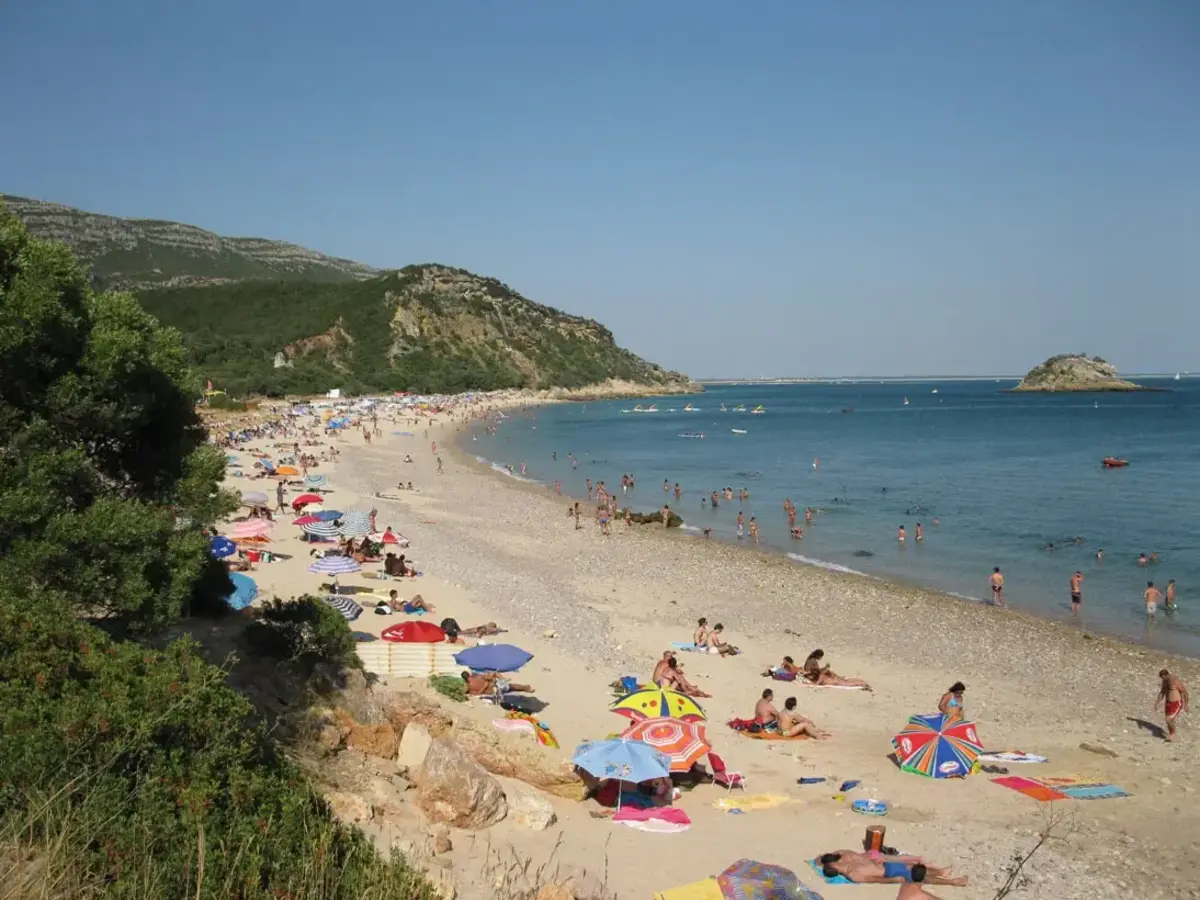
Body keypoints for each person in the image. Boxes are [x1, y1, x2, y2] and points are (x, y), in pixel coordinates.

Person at [819, 854, 966, 887]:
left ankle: (940, 872)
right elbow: (874, 879)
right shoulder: (853, 875)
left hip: (887, 865)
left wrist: (879, 858)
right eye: (833, 864)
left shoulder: (848, 862)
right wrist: (892, 880)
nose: (836, 862)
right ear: (834, 869)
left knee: (915, 868)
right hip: (889, 873)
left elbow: (865, 859)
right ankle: (953, 882)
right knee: (918, 876)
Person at [802, 649, 871, 689]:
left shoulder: (810, 660)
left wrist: (825, 668)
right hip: (815, 676)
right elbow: (815, 671)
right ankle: (861, 683)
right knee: (841, 681)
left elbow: (813, 670)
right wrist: (825, 669)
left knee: (837, 678)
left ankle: (860, 682)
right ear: (818, 656)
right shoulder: (813, 661)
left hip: (814, 676)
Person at [1155, 669, 1189, 742]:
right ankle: (1172, 735)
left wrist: (1186, 704)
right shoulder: (1165, 681)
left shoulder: (1174, 681)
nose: (1162, 679)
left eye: (1162, 677)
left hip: (1176, 703)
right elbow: (1162, 692)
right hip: (1168, 703)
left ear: (1166, 675)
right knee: (1169, 720)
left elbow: (1185, 692)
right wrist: (1157, 703)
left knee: (1168, 719)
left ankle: (1173, 734)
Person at [462, 671, 533, 697]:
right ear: (469, 674)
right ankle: (526, 688)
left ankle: (525, 689)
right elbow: (490, 678)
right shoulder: (478, 676)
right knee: (512, 686)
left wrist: (483, 688)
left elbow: (478, 694)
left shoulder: (469, 687)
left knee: (511, 689)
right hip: (496, 686)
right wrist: (486, 684)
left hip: (494, 693)